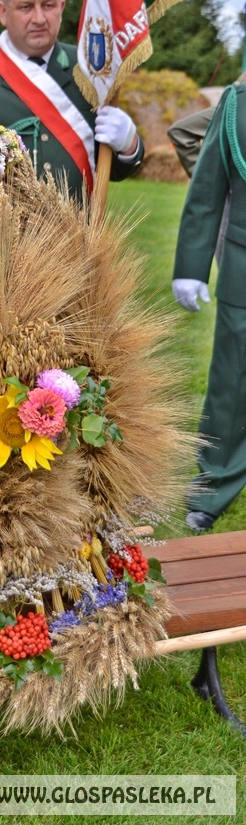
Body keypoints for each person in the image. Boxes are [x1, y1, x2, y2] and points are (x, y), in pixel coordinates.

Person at [0, 0, 144, 201]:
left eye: (48, 5)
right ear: (2, 12)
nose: (39, 19)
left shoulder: (92, 69)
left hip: (78, 224)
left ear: (61, 7)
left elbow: (109, 168)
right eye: (25, 7)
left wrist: (129, 146)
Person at [172, 80, 246, 530]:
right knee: (231, 383)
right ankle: (214, 483)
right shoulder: (237, 105)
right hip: (244, 265)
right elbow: (208, 189)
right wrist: (191, 266)